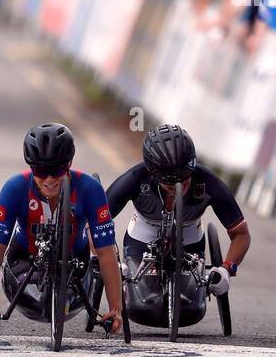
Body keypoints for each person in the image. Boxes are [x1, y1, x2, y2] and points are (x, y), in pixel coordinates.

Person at [0, 123, 123, 332]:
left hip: (76, 262)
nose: (50, 179)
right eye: (41, 171)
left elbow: (106, 252)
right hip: (24, 260)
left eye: (58, 170)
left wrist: (116, 309)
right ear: (31, 167)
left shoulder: (90, 189)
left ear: (69, 163)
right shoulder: (15, 188)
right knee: (32, 290)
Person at [105, 125, 250, 325]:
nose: (179, 187)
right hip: (142, 236)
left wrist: (226, 268)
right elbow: (97, 222)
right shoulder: (135, 178)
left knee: (190, 308)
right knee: (142, 305)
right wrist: (108, 260)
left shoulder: (209, 182)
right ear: (152, 173)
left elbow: (241, 233)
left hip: (190, 239)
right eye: (169, 184)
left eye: (185, 179)